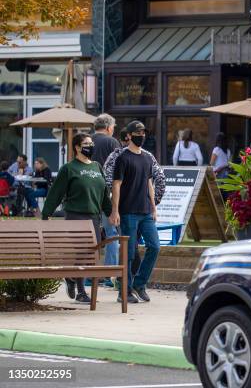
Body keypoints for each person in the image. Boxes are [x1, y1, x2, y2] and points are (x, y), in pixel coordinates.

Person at [42, 133, 112, 304]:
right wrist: (46, 214)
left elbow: (104, 194)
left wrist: (112, 213)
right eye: (86, 143)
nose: (90, 146)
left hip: (94, 217)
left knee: (90, 253)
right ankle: (81, 291)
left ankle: (72, 277)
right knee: (83, 254)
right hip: (75, 215)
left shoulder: (97, 166)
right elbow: (56, 192)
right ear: (77, 147)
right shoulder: (69, 168)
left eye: (91, 143)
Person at [104, 127, 166, 284]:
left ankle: (139, 284)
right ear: (129, 136)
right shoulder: (121, 157)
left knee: (154, 247)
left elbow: (150, 183)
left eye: (143, 133)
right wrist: (115, 210)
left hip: (146, 211)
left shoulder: (147, 157)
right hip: (128, 211)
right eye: (138, 134)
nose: (141, 136)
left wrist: (154, 207)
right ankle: (125, 289)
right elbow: (115, 184)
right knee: (130, 253)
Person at [92, 114, 121, 286]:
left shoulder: (86, 141)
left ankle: (88, 276)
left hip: (88, 194)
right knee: (112, 234)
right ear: (109, 127)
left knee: (90, 235)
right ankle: (109, 275)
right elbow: (118, 170)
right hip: (107, 194)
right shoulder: (112, 143)